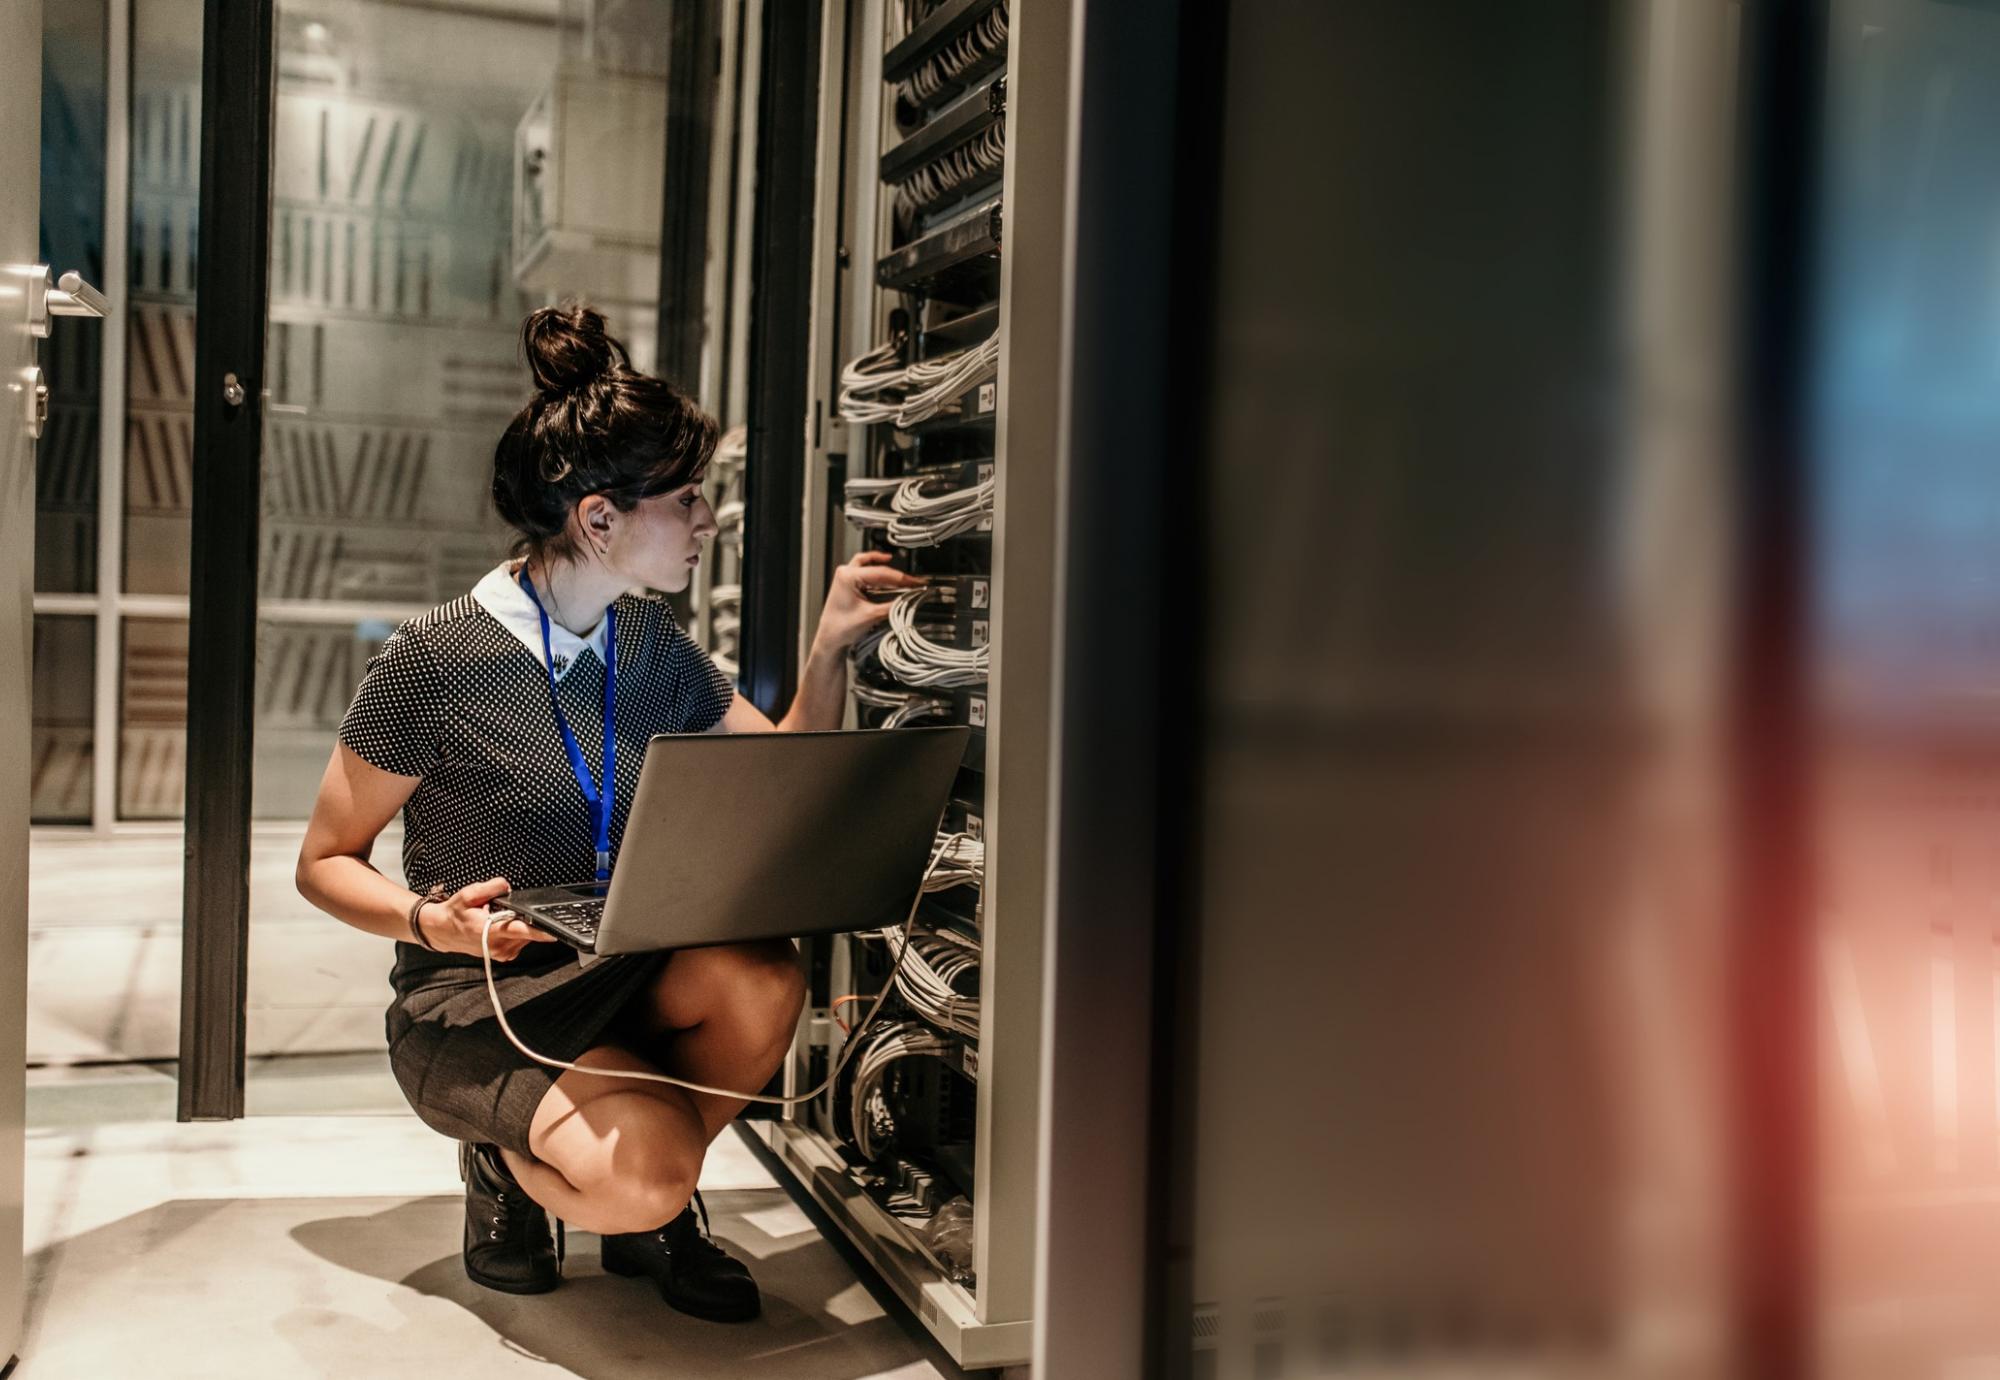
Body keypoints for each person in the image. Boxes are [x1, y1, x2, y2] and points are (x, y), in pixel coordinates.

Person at [294, 303, 923, 1321]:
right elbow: (324, 860)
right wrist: (431, 923)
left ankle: (646, 1193)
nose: (708, 519)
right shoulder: (435, 660)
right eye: (688, 498)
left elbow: (784, 779)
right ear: (598, 517)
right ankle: (521, 1170)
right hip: (481, 994)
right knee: (644, 1179)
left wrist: (831, 645)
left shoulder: (653, 647)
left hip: (622, 965)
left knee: (762, 978)